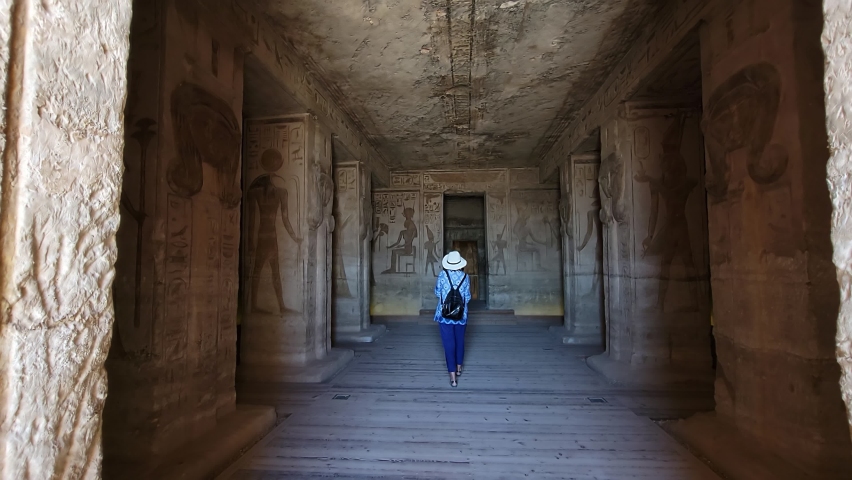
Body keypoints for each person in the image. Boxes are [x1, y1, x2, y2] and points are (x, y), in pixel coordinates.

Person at [434, 251, 472, 387]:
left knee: (448, 344)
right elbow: (468, 297)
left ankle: (453, 377)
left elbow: (437, 292)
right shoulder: (465, 277)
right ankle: (459, 367)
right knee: (460, 341)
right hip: (461, 314)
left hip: (444, 314)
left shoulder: (442, 275)